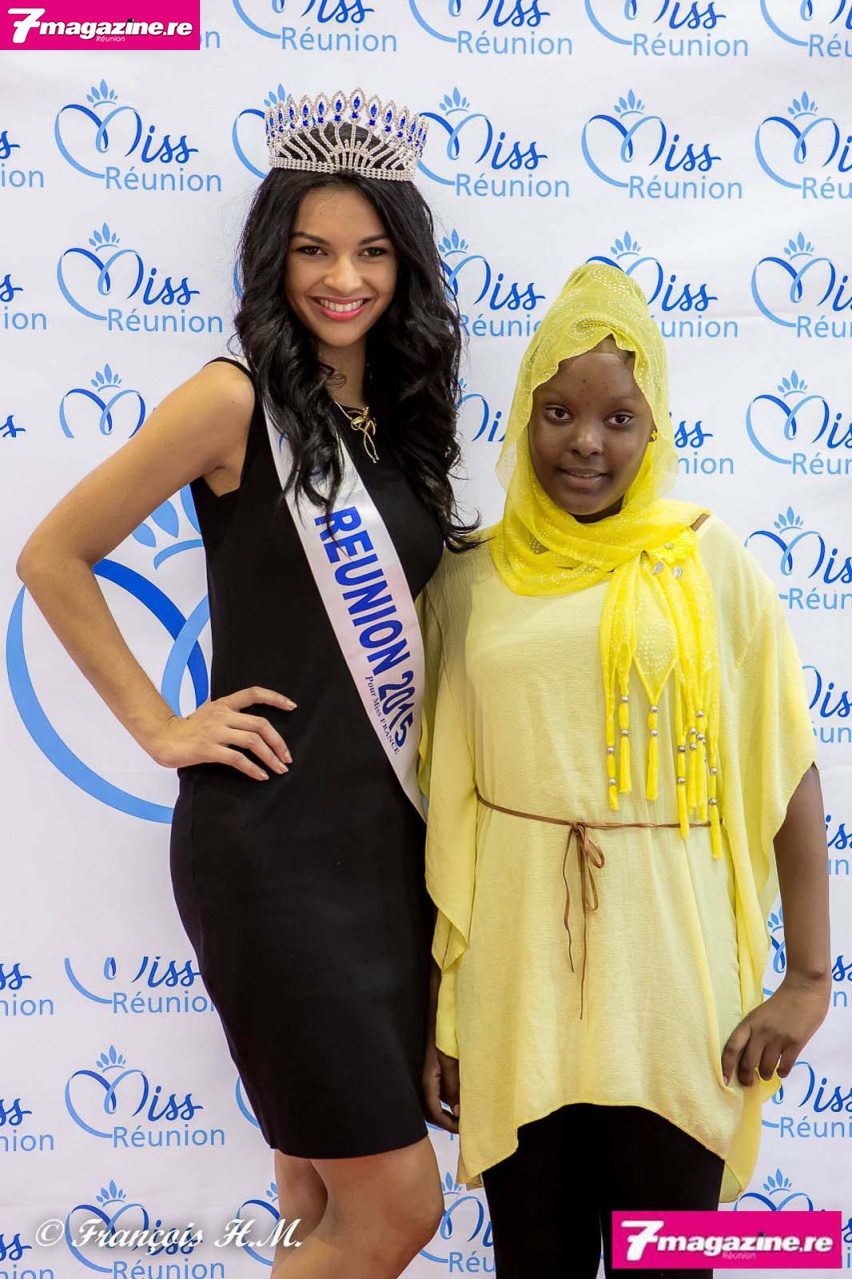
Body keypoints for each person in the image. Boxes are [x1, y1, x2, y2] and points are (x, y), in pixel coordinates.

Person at [16, 89, 476, 1279]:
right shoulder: (231, 401)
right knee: (395, 1212)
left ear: (405, 263)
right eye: (314, 249)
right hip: (273, 851)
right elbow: (54, 555)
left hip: (382, 853)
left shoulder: (398, 416)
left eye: (372, 251)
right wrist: (158, 725)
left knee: (316, 1198)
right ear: (274, 255)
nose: (343, 278)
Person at [419, 263, 831, 1278]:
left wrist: (809, 980)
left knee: (672, 1263)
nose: (587, 443)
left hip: (676, 985)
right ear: (523, 414)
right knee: (538, 1261)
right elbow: (440, 815)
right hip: (517, 984)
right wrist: (441, 1010)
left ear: (656, 429)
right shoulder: (468, 578)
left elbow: (787, 769)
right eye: (559, 412)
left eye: (619, 418)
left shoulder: (707, 559)